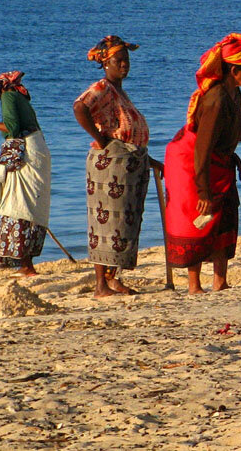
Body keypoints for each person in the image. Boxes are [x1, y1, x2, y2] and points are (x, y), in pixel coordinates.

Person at [164, 33, 241, 293]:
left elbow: (234, 133)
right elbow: (202, 148)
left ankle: (220, 281)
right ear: (233, 70)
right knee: (198, 218)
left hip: (219, 162)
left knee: (226, 219)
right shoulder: (215, 100)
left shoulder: (235, 95)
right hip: (192, 163)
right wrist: (203, 191)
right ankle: (194, 285)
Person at [73, 35, 156, 298]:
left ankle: (114, 278)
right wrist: (101, 140)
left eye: (126, 61)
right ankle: (100, 285)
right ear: (106, 63)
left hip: (127, 165)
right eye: (118, 61)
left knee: (123, 225)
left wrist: (149, 160)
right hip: (110, 166)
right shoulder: (103, 87)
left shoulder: (118, 90)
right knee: (105, 225)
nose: (124, 65)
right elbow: (79, 107)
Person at [0, 71, 51, 276]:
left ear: (1, 87)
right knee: (31, 204)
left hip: (27, 152)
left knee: (18, 204)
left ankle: (25, 265)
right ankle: (27, 262)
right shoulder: (21, 98)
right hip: (38, 148)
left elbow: (12, 128)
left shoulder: (8, 96)